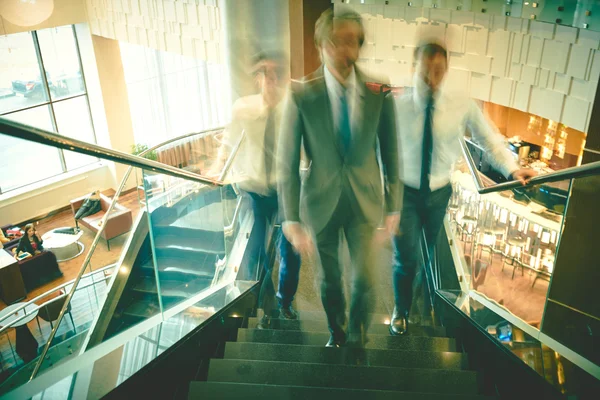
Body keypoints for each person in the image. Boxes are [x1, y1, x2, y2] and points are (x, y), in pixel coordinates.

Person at [390, 42, 537, 336]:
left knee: (428, 252)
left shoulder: (461, 103)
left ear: (445, 71)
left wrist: (512, 168)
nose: (432, 78)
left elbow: (489, 139)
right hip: (403, 193)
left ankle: (421, 295)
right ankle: (401, 309)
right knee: (405, 257)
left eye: (438, 71)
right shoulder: (396, 106)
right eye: (425, 71)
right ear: (413, 69)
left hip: (438, 193)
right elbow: (382, 150)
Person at [278, 7, 401, 348]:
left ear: (359, 46)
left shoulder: (378, 90)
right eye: (335, 41)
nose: (343, 49)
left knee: (365, 279)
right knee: (329, 280)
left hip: (365, 201)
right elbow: (287, 161)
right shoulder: (302, 93)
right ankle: (338, 331)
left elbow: (391, 153)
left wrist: (394, 207)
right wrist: (290, 217)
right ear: (321, 45)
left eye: (351, 41)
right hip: (320, 203)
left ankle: (359, 332)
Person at [212, 51, 301, 323]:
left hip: (285, 189)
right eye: (266, 74)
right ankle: (266, 305)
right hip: (252, 189)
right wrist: (217, 168)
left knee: (291, 251)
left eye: (277, 75)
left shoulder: (295, 108)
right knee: (255, 253)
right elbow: (228, 141)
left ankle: (284, 301)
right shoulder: (243, 108)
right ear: (258, 78)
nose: (272, 80)